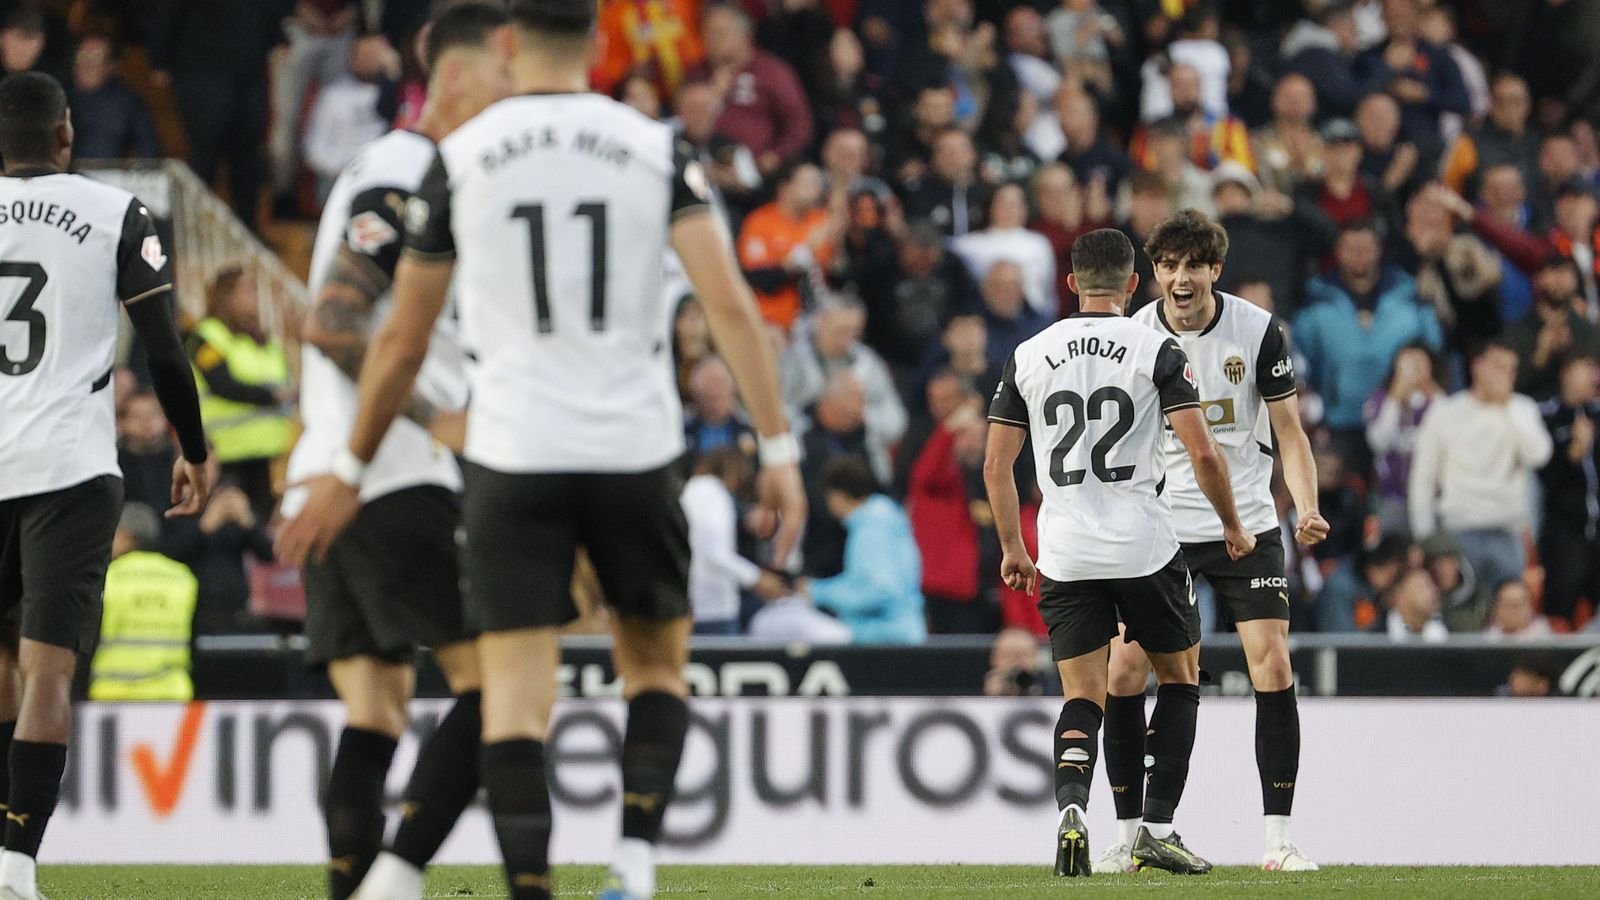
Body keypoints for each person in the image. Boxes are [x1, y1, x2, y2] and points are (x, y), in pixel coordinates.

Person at [276, 5, 807, 900]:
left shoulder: (457, 159)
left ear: (512, 45)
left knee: (507, 702)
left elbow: (398, 337)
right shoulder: (655, 145)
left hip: (510, 453)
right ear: (599, 45)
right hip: (628, 444)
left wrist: (347, 463)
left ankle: (478, 883)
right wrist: (779, 445)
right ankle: (632, 866)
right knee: (652, 669)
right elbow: (728, 305)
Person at [280, 7, 513, 899]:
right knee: (502, 686)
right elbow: (333, 323)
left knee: (375, 710)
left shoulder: (378, 168)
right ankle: (398, 877)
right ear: (454, 75)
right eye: (505, 76)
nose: (517, 96)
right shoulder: (410, 173)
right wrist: (434, 420)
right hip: (389, 471)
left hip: (332, 470)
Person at [983, 227, 1252, 878]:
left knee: (1084, 696)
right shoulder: (1156, 348)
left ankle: (1073, 809)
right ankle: (1155, 829)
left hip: (1065, 552)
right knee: (1181, 677)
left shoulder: (1029, 353)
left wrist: (1014, 548)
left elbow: (996, 465)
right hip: (1143, 547)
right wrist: (1232, 524)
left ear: (1071, 283)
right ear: (1134, 284)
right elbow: (1203, 451)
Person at [0, 71, 208, 900]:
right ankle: (17, 865)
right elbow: (162, 346)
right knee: (46, 669)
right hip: (69, 470)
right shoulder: (115, 213)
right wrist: (192, 445)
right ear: (65, 134)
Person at [1093, 209, 1326, 874]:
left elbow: (1289, 432)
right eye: (1168, 266)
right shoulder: (1134, 335)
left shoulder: (1257, 330)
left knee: (1272, 664)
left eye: (1193, 266)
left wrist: (1306, 506)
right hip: (1159, 528)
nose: (1180, 278)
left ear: (1215, 271)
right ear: (1154, 273)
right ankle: (1129, 835)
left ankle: (1278, 841)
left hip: (1244, 523)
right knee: (1125, 673)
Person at [1409, 341, 1553, 595]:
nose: (1504, 374)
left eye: (1510, 368)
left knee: (1508, 610)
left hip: (1507, 532)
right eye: (1497, 366)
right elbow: (1422, 480)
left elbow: (1539, 455)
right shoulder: (1445, 412)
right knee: (1461, 610)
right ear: (1477, 366)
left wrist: (1507, 405)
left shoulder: (1521, 409)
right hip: (1459, 530)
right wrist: (1427, 539)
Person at [188, 265, 295, 520]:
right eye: (249, 290)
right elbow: (222, 384)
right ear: (226, 296)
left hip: (272, 455)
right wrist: (272, 396)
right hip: (229, 457)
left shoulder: (263, 340)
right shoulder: (206, 336)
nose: (256, 297)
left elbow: (285, 381)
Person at [798, 457, 925, 644]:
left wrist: (817, 592)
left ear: (836, 496)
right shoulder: (888, 519)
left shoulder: (870, 531)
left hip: (887, 639)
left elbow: (881, 590)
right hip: (904, 634)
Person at [89, 504, 197, 701]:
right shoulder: (183, 577)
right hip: (170, 693)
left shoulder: (108, 577)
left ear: (125, 536)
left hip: (113, 693)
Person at [681, 447, 787, 635]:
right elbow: (714, 552)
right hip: (713, 607)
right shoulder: (712, 493)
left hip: (693, 601)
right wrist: (756, 578)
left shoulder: (692, 491)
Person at [1537, 355, 1600, 626]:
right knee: (1560, 608)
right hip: (1564, 530)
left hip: (1597, 529)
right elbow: (1545, 476)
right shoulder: (1546, 415)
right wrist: (1572, 454)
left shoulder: (1597, 413)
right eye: (1587, 369)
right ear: (1566, 373)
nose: (1595, 377)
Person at [66, 34, 159, 160]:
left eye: (96, 58)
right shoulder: (56, 97)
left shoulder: (127, 101)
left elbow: (149, 148)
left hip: (109, 170)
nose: (87, 64)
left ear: (111, 66)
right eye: (82, 56)